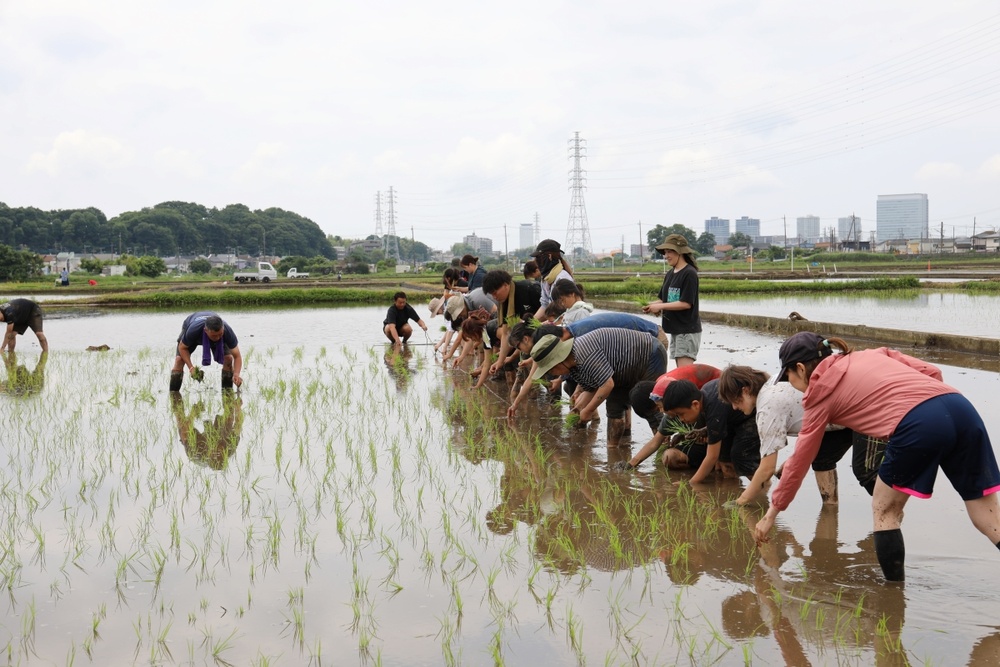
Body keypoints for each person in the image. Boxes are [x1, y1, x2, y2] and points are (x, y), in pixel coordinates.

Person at [754, 332, 1000, 582]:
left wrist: (770, 515)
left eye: (789, 377)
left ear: (800, 368)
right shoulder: (872, 354)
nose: (791, 384)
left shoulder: (819, 398)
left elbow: (799, 463)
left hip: (918, 424)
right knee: (987, 516)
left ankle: (893, 601)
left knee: (885, 511)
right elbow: (932, 372)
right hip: (960, 408)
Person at [717, 365, 853, 506]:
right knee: (822, 460)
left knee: (865, 472)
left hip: (858, 411)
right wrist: (793, 460)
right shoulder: (773, 382)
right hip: (837, 419)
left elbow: (767, 468)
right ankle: (830, 510)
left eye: (734, 400)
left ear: (745, 390)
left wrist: (741, 501)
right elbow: (810, 425)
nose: (733, 407)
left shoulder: (767, 409)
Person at [529, 326, 668, 440]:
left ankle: (663, 444)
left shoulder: (583, 354)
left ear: (558, 361)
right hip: (622, 371)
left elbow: (607, 385)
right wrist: (578, 409)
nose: (552, 373)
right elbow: (591, 388)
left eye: (551, 369)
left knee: (649, 404)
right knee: (614, 408)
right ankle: (614, 453)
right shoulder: (573, 366)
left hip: (650, 354)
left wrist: (588, 410)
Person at [616, 364, 721, 470]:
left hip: (720, 436)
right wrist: (631, 464)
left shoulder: (698, 406)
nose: (662, 411)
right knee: (669, 456)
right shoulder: (669, 410)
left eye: (660, 408)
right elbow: (655, 442)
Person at [656, 378, 760, 484]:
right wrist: (704, 430)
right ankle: (731, 490)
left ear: (695, 404)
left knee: (742, 459)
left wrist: (691, 483)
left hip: (752, 416)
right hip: (731, 420)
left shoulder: (714, 409)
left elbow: (711, 456)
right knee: (725, 461)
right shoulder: (705, 396)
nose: (681, 419)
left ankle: (762, 490)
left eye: (681, 414)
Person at [642, 234, 701, 367]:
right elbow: (663, 299)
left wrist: (661, 306)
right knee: (681, 371)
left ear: (680, 252)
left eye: (670, 252)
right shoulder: (670, 273)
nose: (666, 255)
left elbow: (686, 303)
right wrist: (651, 306)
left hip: (687, 330)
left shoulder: (689, 273)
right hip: (676, 329)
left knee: (684, 373)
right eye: (665, 252)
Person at [482, 269, 542, 386]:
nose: (494, 297)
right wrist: (499, 362)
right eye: (491, 294)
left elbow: (549, 312)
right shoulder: (504, 303)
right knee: (526, 371)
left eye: (495, 292)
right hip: (526, 340)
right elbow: (506, 333)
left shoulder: (529, 289)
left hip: (544, 335)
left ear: (506, 285)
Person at [170, 311, 243, 391]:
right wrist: (191, 368)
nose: (218, 338)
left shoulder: (227, 331)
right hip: (193, 326)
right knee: (179, 360)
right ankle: (174, 394)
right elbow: (182, 347)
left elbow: (237, 356)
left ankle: (227, 394)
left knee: (228, 359)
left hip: (213, 328)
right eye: (214, 335)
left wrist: (236, 374)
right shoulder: (193, 330)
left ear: (222, 329)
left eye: (220, 334)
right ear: (206, 330)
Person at [531, 239, 573, 319]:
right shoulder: (545, 280)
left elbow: (565, 310)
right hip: (555, 321)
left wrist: (549, 323)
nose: (536, 261)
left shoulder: (562, 278)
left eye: (538, 257)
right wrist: (530, 322)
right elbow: (545, 304)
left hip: (566, 322)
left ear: (549, 256)